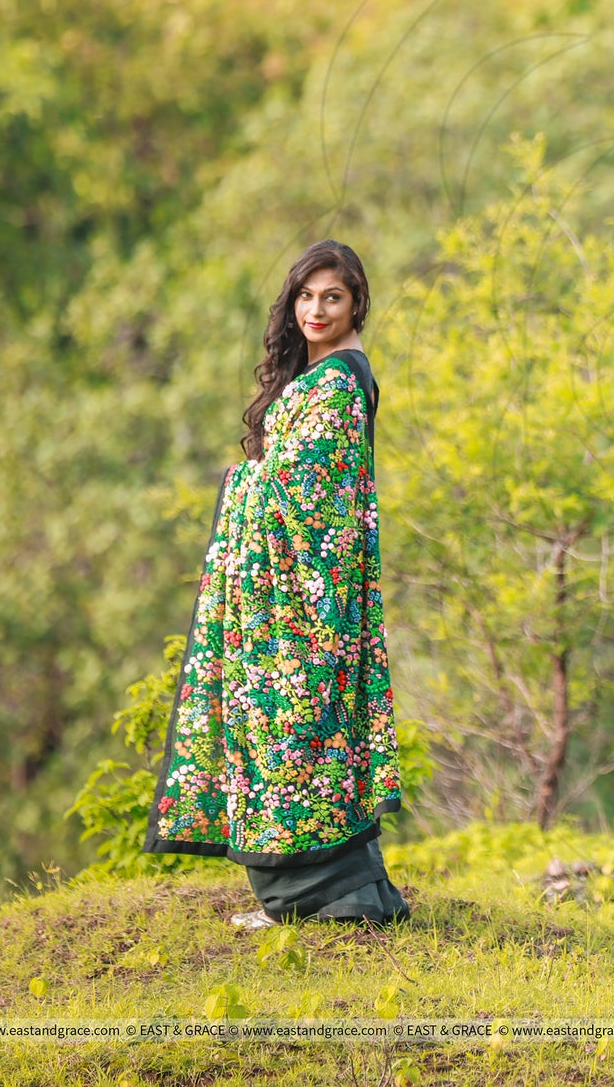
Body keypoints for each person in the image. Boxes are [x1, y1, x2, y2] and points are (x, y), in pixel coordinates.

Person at [141, 239, 410, 928]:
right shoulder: (314, 376)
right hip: (279, 593)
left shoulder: (341, 383)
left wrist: (246, 482)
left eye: (333, 297)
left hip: (305, 599)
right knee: (278, 730)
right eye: (306, 295)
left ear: (357, 305)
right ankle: (313, 895)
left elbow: (313, 491)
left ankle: (308, 896)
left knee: (294, 728)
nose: (316, 309)